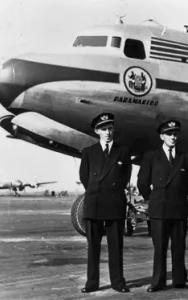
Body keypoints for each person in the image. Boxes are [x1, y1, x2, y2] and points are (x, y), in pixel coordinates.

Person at [137, 120, 188, 292]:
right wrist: (153, 198)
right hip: (159, 208)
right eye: (169, 134)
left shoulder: (184, 157)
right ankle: (158, 282)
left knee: (179, 247)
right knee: (160, 248)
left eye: (175, 134)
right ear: (161, 136)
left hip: (178, 208)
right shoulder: (151, 156)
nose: (172, 137)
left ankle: (180, 280)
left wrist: (177, 195)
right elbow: (142, 181)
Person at [79, 112, 132, 293]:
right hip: (93, 204)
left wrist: (111, 191)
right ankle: (92, 283)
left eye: (110, 128)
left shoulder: (123, 152)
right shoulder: (88, 152)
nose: (108, 132)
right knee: (93, 248)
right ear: (97, 131)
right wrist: (97, 192)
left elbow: (125, 176)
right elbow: (85, 178)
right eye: (104, 129)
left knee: (116, 247)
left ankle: (118, 282)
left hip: (114, 203)